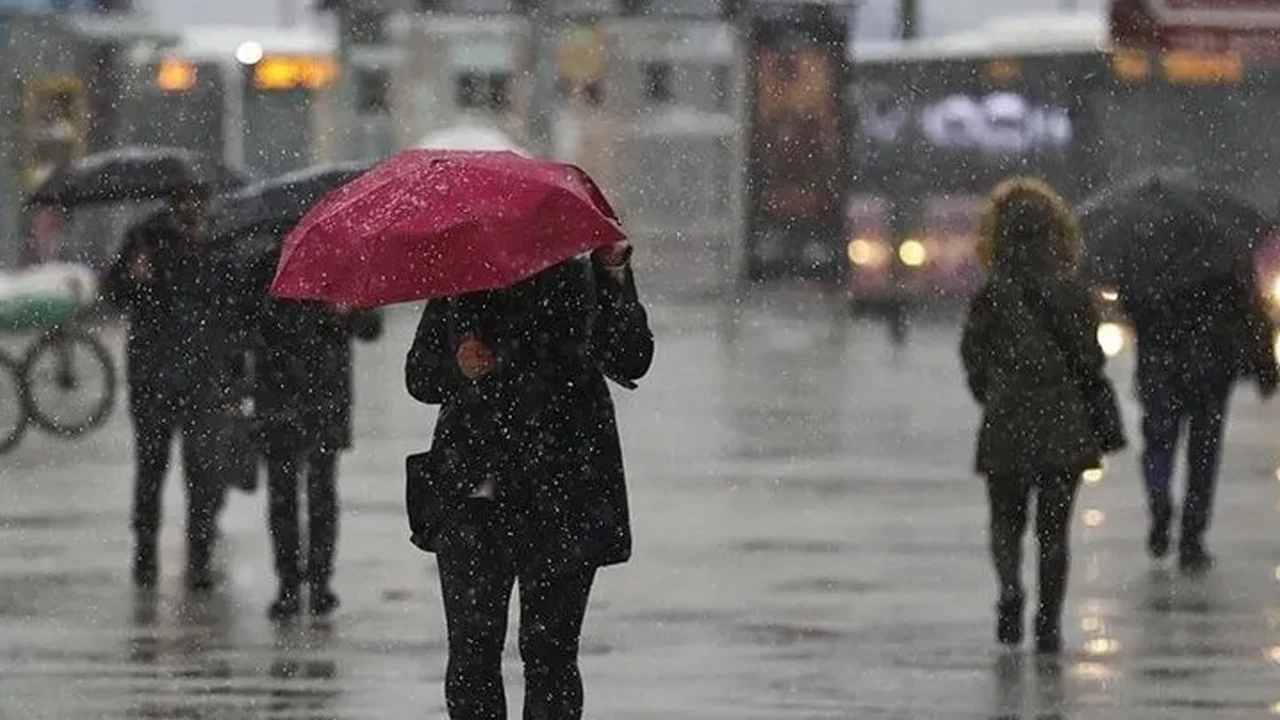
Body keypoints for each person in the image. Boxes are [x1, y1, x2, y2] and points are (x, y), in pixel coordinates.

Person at [404, 241, 653, 720]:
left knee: (551, 657)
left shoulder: (583, 281)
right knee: (472, 659)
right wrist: (457, 365)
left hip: (563, 494)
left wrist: (614, 272)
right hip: (475, 495)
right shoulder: (460, 287)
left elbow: (630, 358)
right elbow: (419, 377)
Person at [960, 177, 1112, 654]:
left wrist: (993, 391)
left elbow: (972, 355)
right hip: (1062, 421)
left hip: (1007, 417)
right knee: (1054, 529)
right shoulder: (1072, 292)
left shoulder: (993, 293)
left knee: (1005, 520)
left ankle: (1009, 587)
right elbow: (1091, 358)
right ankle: (1048, 621)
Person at [103, 182, 251, 590]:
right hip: (154, 375)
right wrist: (133, 279)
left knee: (203, 474)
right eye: (185, 200)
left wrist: (234, 379)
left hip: (204, 377)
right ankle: (145, 553)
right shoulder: (146, 237)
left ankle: (199, 558)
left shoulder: (223, 241)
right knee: (152, 469)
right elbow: (113, 293)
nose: (192, 208)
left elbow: (234, 314)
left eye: (198, 200)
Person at [251, 262, 384, 619]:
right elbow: (246, 325)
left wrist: (346, 312)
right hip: (279, 396)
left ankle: (320, 582)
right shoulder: (265, 268)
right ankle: (289, 584)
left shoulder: (343, 268)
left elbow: (372, 328)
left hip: (326, 397)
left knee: (322, 493)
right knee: (284, 497)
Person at [1122, 266, 1277, 572]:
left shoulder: (1147, 254)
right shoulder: (1225, 255)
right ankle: (1192, 537)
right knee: (1203, 454)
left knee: (1159, 442)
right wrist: (1264, 365)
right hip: (1211, 368)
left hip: (1160, 365)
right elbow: (1250, 310)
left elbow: (1131, 305)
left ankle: (1159, 497)